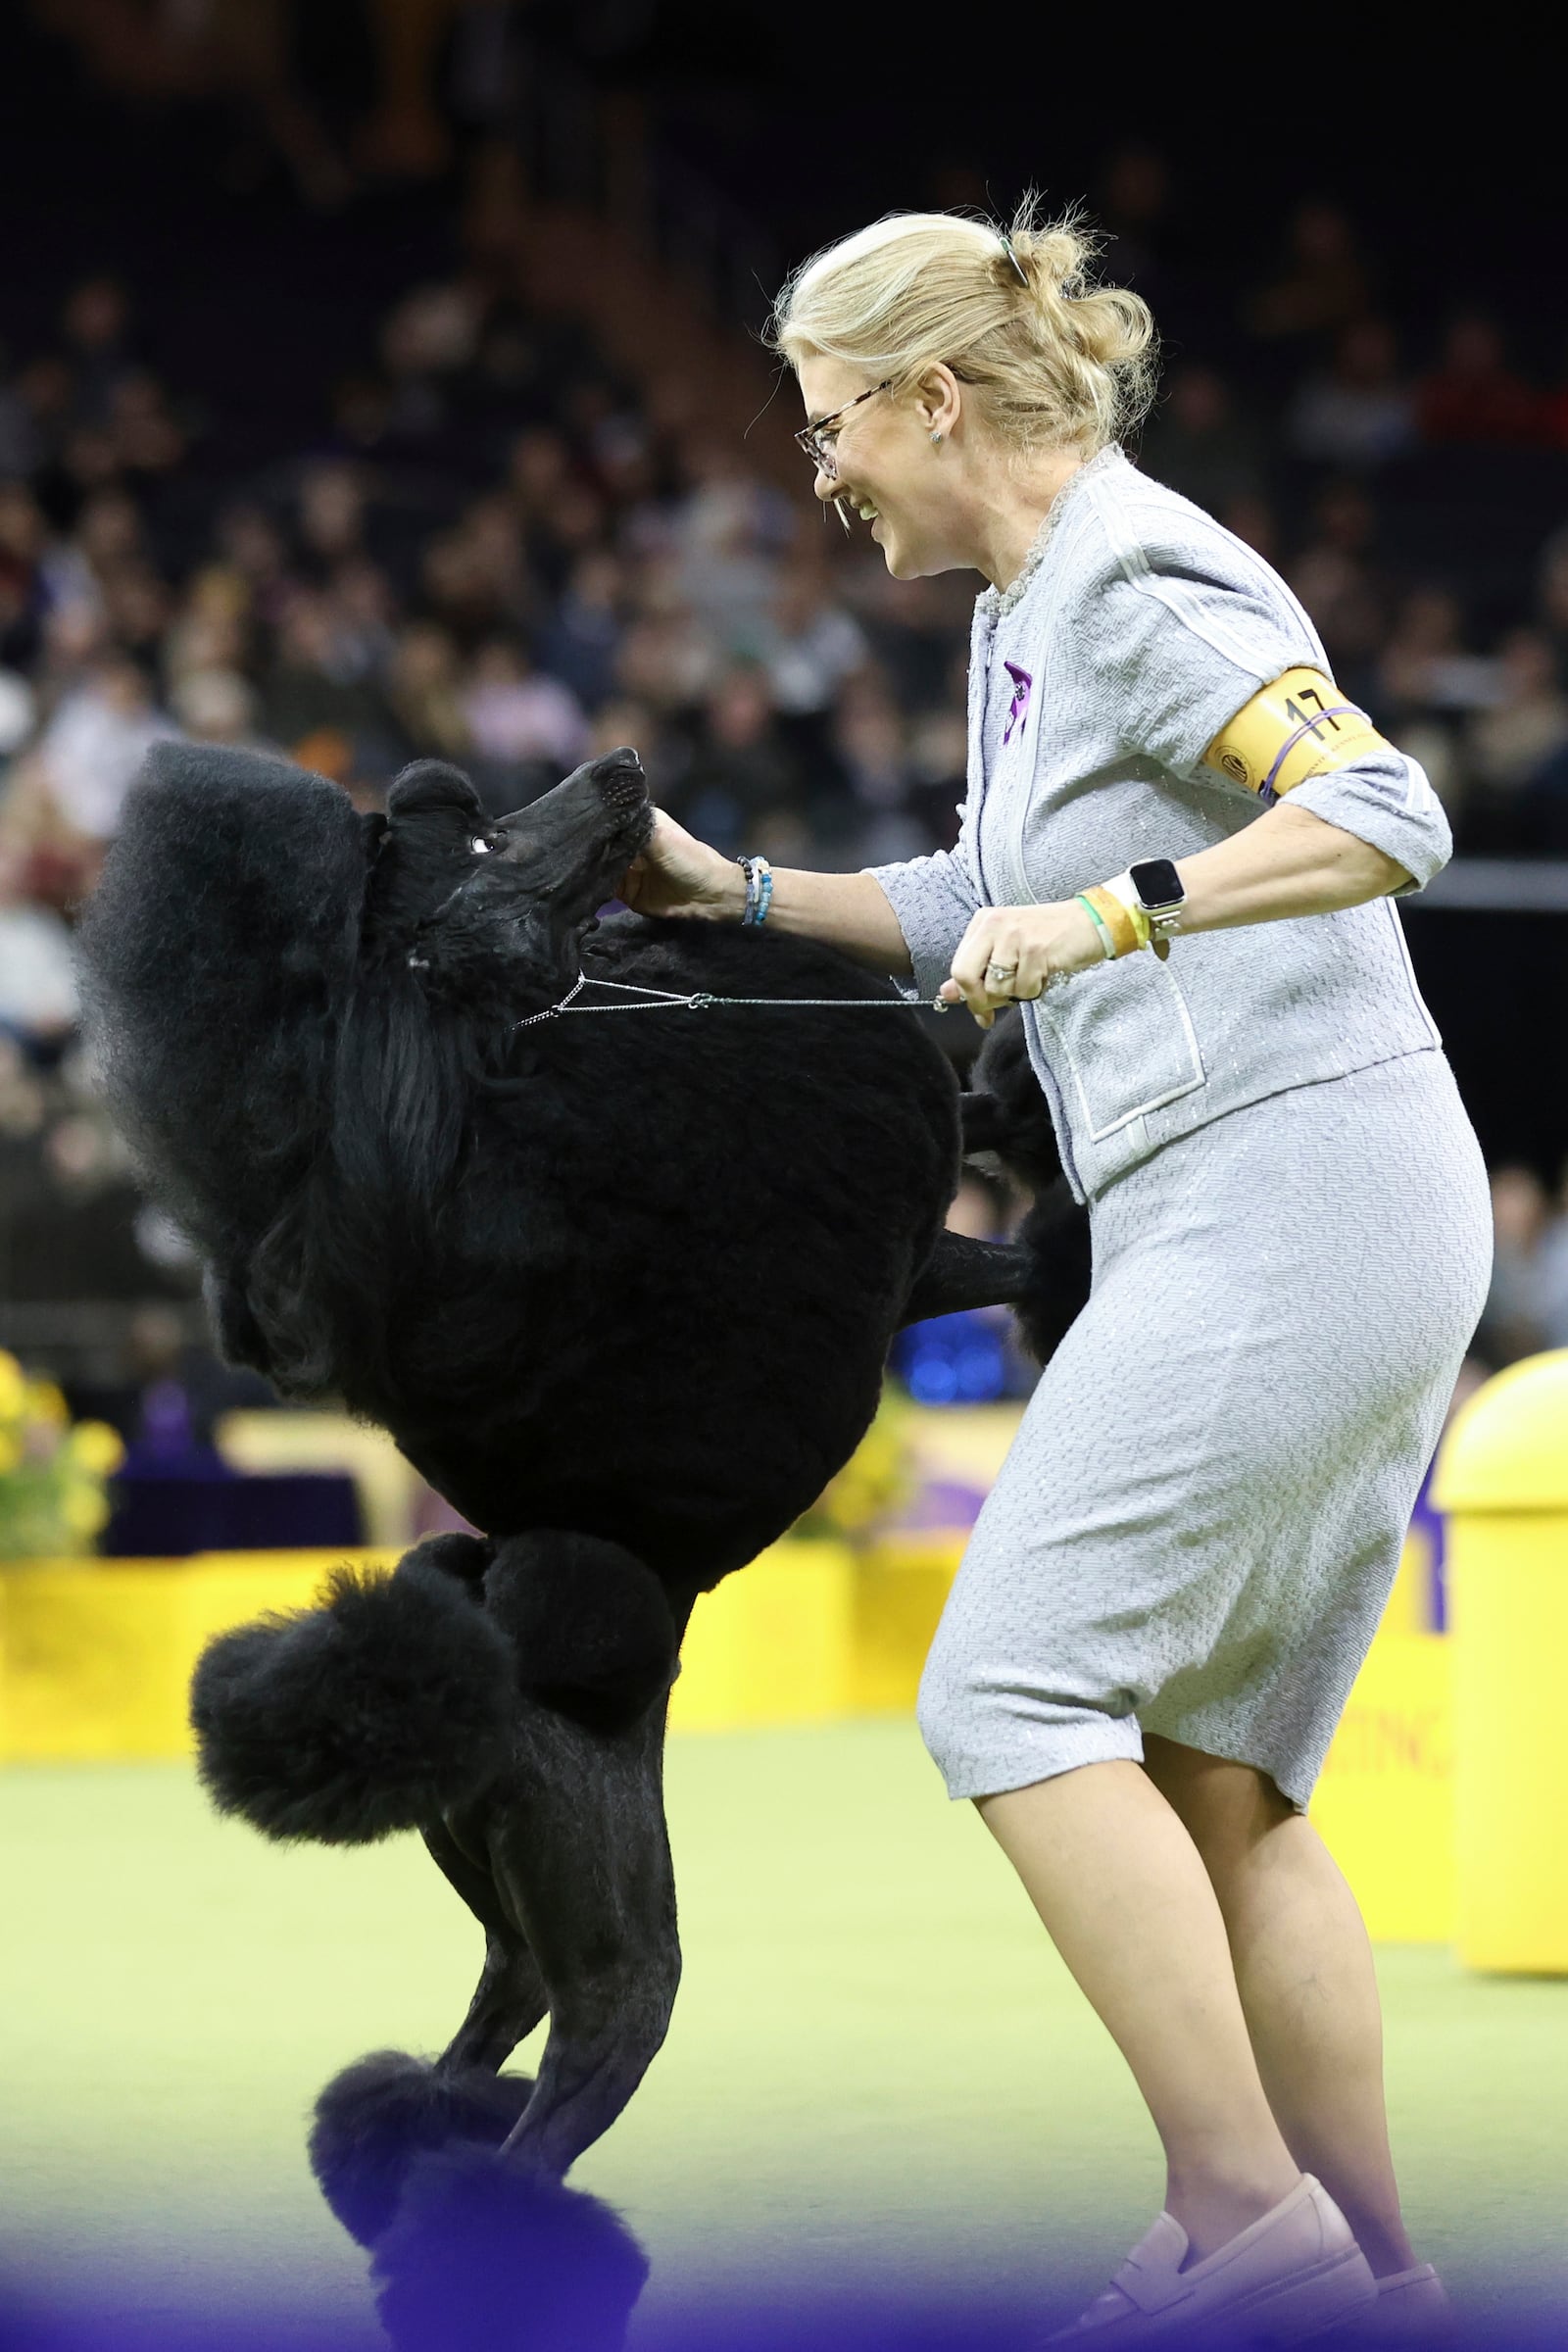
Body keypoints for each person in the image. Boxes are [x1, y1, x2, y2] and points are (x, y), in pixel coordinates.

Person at [618, 206, 1490, 2345]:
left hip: (1286, 1193)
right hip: (1301, 1195)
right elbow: (968, 897)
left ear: (935, 397)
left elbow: (1386, 806)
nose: (824, 475)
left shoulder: (1124, 576)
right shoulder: (1028, 610)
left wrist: (1112, 923)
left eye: (836, 428)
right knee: (1215, 1782)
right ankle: (1374, 2282)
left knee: (1004, 1691)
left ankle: (1235, 2219)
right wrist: (725, 889)